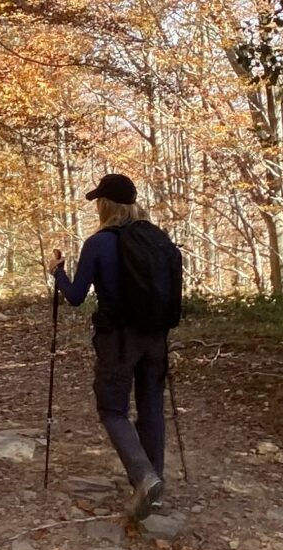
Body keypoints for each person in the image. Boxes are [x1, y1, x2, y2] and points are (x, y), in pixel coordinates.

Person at [51, 172, 184, 521]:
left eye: (99, 201)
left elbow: (77, 297)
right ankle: (153, 489)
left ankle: (144, 477)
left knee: (112, 410)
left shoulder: (99, 243)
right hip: (155, 337)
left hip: (118, 340)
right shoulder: (158, 238)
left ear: (106, 204)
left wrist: (58, 274)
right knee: (151, 408)